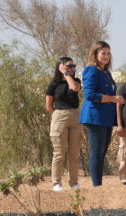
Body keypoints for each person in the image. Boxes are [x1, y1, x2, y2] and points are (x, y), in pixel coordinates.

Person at [79, 41, 123, 187]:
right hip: (95, 116)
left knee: (102, 152)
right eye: (103, 53)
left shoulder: (106, 72)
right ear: (95, 54)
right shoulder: (91, 70)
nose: (106, 56)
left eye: (108, 53)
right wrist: (113, 99)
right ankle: (96, 187)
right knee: (97, 152)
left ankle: (99, 185)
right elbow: (90, 95)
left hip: (106, 118)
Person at [45, 56, 83, 191]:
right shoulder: (53, 84)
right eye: (69, 66)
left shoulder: (76, 80)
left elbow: (75, 88)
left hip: (75, 116)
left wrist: (66, 74)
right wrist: (59, 115)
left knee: (74, 153)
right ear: (60, 67)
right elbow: (49, 106)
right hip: (59, 116)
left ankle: (73, 183)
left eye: (74, 66)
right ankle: (56, 183)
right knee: (59, 152)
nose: (73, 68)